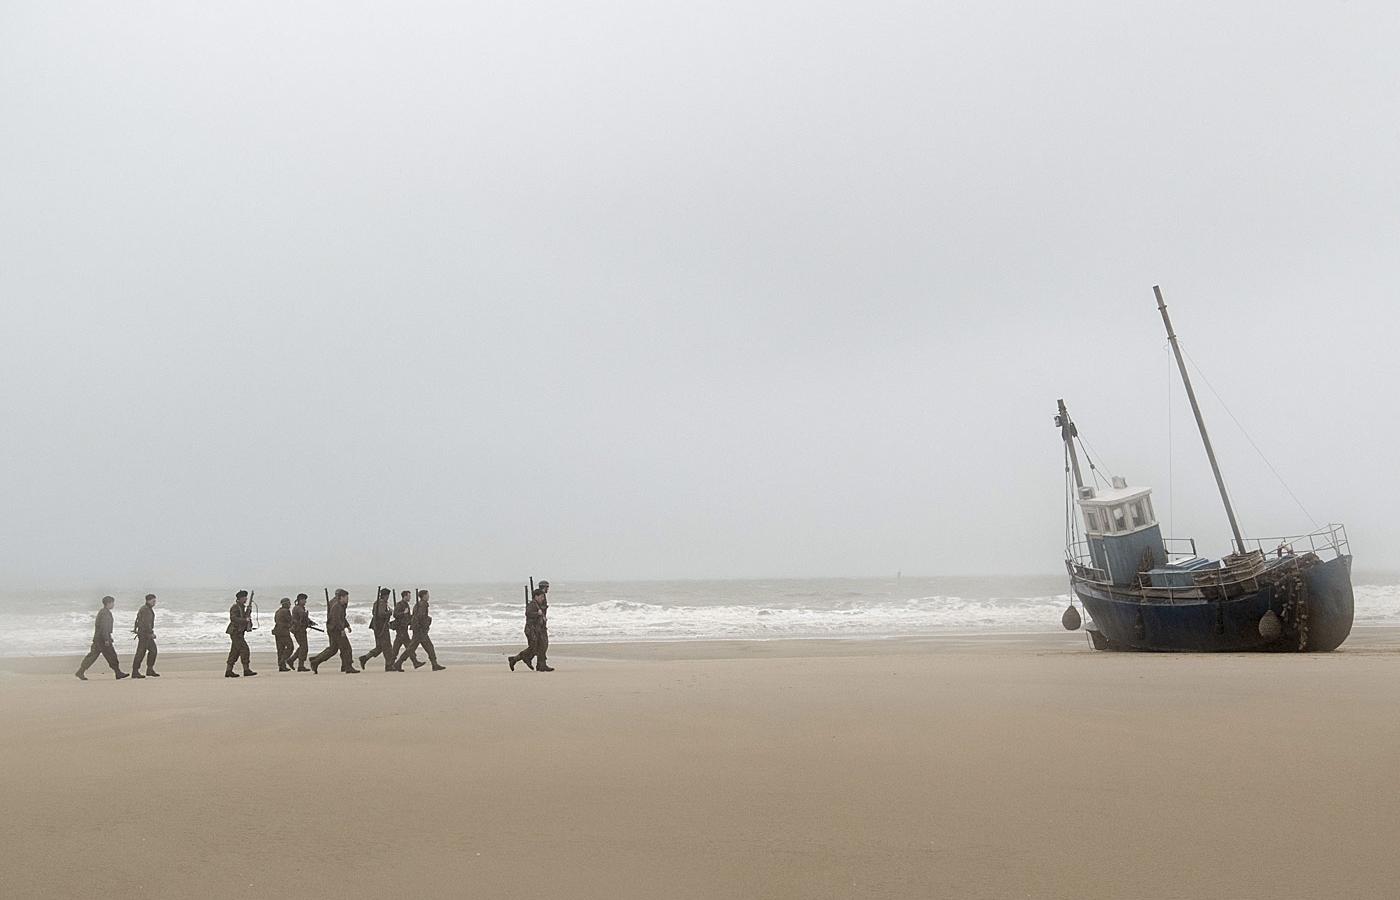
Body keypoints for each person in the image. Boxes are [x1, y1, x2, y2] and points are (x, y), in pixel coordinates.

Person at [75, 596, 129, 681]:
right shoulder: (105, 613)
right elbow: (104, 627)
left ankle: (80, 671)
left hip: (99, 638)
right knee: (111, 655)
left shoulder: (103, 612)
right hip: (102, 640)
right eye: (112, 603)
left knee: (93, 656)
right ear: (108, 603)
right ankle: (118, 673)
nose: (113, 605)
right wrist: (106, 639)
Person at [394, 589, 446, 671]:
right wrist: (427, 621)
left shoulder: (419, 604)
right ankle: (398, 663)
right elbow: (421, 617)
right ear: (424, 596)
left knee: (427, 647)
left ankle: (434, 664)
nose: (428, 596)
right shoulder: (422, 605)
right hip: (420, 631)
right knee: (413, 648)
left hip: (419, 630)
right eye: (427, 595)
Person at [508, 580, 552, 672]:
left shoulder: (539, 601)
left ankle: (541, 665)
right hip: (532, 629)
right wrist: (538, 614)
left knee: (542, 646)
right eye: (546, 587)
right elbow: (528, 613)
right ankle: (516, 659)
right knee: (535, 647)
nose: (547, 589)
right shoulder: (533, 604)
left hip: (539, 627)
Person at [310, 589, 358, 674]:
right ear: (341, 597)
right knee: (346, 648)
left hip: (332, 629)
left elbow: (342, 617)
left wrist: (347, 625)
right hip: (336, 630)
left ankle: (316, 661)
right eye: (346, 597)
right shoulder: (337, 606)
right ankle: (348, 667)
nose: (347, 599)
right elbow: (336, 619)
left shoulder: (338, 604)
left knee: (333, 649)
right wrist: (341, 629)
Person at [359, 588, 397, 672]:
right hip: (381, 628)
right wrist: (390, 613)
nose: (388, 597)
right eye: (388, 596)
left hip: (377, 627)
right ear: (385, 596)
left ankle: (365, 658)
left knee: (380, 647)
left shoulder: (377, 603)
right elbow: (381, 614)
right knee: (387, 647)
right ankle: (389, 665)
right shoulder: (382, 603)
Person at [225, 590, 257, 678]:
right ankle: (246, 670)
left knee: (235, 652)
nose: (246, 599)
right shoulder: (235, 607)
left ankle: (228, 671)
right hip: (235, 632)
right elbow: (233, 618)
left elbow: (245, 618)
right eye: (244, 597)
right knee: (244, 650)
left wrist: (248, 615)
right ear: (240, 598)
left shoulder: (242, 607)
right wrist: (244, 620)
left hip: (239, 632)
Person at [389, 589, 421, 670]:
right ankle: (414, 662)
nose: (410, 598)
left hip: (404, 628)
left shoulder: (406, 604)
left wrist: (413, 617)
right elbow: (395, 614)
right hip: (401, 628)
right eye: (409, 596)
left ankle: (392, 665)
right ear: (405, 596)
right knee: (409, 647)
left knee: (397, 648)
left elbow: (407, 617)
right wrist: (404, 613)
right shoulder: (400, 604)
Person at [131, 593, 160, 678]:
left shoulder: (146, 609)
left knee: (152, 651)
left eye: (155, 601)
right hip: (145, 634)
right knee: (141, 653)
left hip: (144, 634)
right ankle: (135, 671)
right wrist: (151, 633)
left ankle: (149, 670)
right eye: (153, 601)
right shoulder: (145, 610)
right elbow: (146, 623)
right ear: (148, 601)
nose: (154, 603)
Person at [289, 594, 316, 671]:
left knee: (302, 647)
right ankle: (300, 666)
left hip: (300, 629)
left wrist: (310, 622)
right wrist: (308, 621)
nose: (305, 601)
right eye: (304, 600)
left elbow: (304, 618)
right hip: (299, 630)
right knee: (304, 647)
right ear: (300, 600)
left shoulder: (299, 608)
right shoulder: (298, 608)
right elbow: (303, 617)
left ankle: (291, 660)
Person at [272, 597, 295, 672]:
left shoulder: (278, 611)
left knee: (280, 649)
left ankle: (281, 667)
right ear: (286, 604)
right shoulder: (286, 611)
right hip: (284, 632)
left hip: (277, 632)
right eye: (289, 603)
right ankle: (282, 662)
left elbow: (276, 621)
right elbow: (290, 620)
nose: (290, 605)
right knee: (290, 647)